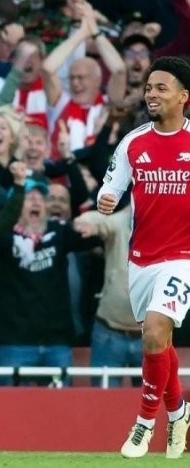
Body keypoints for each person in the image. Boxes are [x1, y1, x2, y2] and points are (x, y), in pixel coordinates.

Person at [98, 56, 190, 459]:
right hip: (142, 260)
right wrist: (106, 199)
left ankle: (144, 422)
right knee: (159, 343)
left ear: (183, 97)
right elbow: (113, 188)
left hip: (183, 257)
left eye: (161, 88)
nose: (151, 94)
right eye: (149, 88)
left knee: (155, 331)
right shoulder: (133, 141)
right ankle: (180, 411)